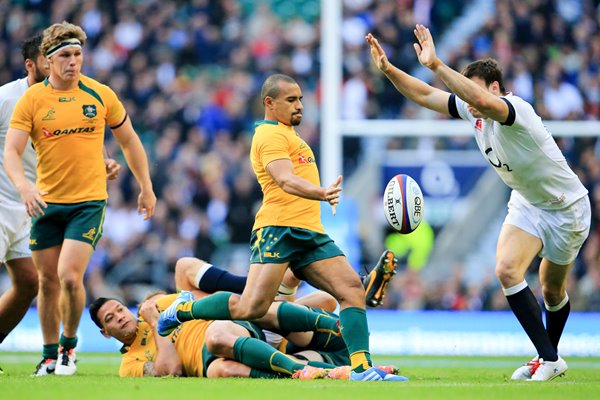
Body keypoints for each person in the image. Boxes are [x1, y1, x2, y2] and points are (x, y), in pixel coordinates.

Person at [366, 25, 591, 381]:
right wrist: (389, 70)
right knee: (506, 269)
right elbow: (425, 95)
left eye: (472, 90)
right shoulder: (475, 111)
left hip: (567, 208)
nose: (467, 101)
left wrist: (438, 64)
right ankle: (548, 358)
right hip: (529, 202)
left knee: (551, 287)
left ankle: (548, 356)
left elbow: (481, 100)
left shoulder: (514, 108)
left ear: (496, 88)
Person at [157, 74, 406, 381]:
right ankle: (183, 311)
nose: (299, 105)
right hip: (278, 230)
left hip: (310, 232)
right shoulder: (268, 135)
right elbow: (284, 179)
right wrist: (322, 192)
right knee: (251, 306)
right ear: (269, 103)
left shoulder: (292, 136)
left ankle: (362, 370)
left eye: (300, 99)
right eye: (291, 100)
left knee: (352, 290)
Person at [3, 21, 156, 376]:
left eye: (78, 55)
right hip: (45, 203)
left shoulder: (100, 94)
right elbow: (11, 151)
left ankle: (68, 350)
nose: (74, 62)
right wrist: (25, 187)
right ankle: (47, 354)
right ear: (48, 60)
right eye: (66, 56)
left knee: (70, 277)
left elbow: (130, 140)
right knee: (47, 282)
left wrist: (145, 186)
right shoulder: (32, 100)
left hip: (88, 203)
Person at [90, 291, 347, 379]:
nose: (121, 316)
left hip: (229, 329)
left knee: (215, 336)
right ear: (105, 333)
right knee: (219, 371)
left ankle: (340, 312)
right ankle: (328, 371)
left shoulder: (156, 304)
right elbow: (171, 369)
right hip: (211, 361)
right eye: (111, 318)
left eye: (120, 309)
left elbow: (206, 303)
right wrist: (157, 323)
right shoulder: (129, 364)